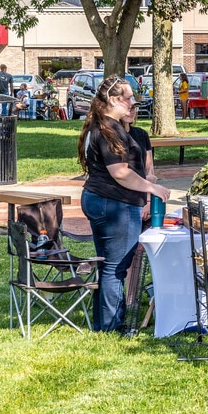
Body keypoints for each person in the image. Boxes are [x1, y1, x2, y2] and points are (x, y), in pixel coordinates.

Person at [78, 76, 170, 333]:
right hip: (114, 204)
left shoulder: (102, 126)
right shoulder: (109, 130)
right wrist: (152, 188)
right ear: (113, 100)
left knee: (107, 264)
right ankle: (112, 326)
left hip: (102, 200)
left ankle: (103, 323)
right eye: (128, 98)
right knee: (115, 267)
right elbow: (120, 172)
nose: (132, 103)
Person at [121, 100, 156, 226]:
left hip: (142, 196)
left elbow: (150, 171)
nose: (131, 112)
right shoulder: (110, 137)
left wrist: (149, 201)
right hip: (120, 199)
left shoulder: (141, 134)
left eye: (133, 108)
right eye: (128, 108)